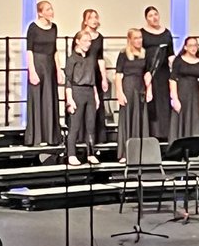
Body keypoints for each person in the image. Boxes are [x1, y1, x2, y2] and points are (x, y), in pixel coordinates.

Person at [24, 0, 63, 146]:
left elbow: (54, 51)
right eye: (48, 9)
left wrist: (59, 70)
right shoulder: (33, 28)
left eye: (51, 8)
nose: (51, 11)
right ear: (40, 12)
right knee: (37, 99)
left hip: (49, 65)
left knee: (49, 99)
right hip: (37, 65)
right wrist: (31, 71)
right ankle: (36, 136)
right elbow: (29, 51)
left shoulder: (54, 28)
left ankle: (50, 136)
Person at [64, 28, 101, 166]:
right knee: (75, 125)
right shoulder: (72, 59)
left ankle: (90, 153)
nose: (88, 43)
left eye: (89, 41)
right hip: (77, 92)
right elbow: (68, 80)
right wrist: (69, 99)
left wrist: (96, 96)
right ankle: (71, 154)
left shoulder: (91, 58)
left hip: (90, 92)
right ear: (77, 41)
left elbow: (93, 80)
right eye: (85, 41)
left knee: (91, 125)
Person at [114, 28, 153, 147]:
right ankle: (126, 152)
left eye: (140, 37)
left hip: (140, 88)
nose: (139, 40)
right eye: (136, 38)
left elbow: (148, 74)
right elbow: (118, 75)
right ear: (130, 39)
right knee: (127, 118)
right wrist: (119, 93)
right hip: (128, 88)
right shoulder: (123, 54)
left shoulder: (145, 54)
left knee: (140, 117)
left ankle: (140, 150)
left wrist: (149, 90)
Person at [140, 6, 174, 140]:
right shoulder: (142, 33)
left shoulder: (166, 33)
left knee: (163, 102)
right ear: (146, 19)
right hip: (148, 72)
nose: (154, 17)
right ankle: (150, 134)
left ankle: (164, 134)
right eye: (150, 15)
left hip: (163, 72)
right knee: (150, 102)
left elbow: (171, 54)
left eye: (156, 14)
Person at [169, 36, 199, 143]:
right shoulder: (179, 60)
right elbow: (172, 80)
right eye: (191, 45)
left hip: (194, 96)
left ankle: (192, 148)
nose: (193, 48)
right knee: (180, 120)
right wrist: (175, 98)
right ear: (185, 47)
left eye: (195, 45)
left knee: (194, 120)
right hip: (181, 94)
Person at [81, 9, 110, 144]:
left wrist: (104, 78)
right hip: (84, 75)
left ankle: (98, 137)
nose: (94, 19)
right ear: (85, 20)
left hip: (96, 74)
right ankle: (83, 136)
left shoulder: (100, 37)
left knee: (98, 104)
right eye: (90, 17)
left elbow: (100, 58)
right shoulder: (81, 36)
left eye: (95, 17)